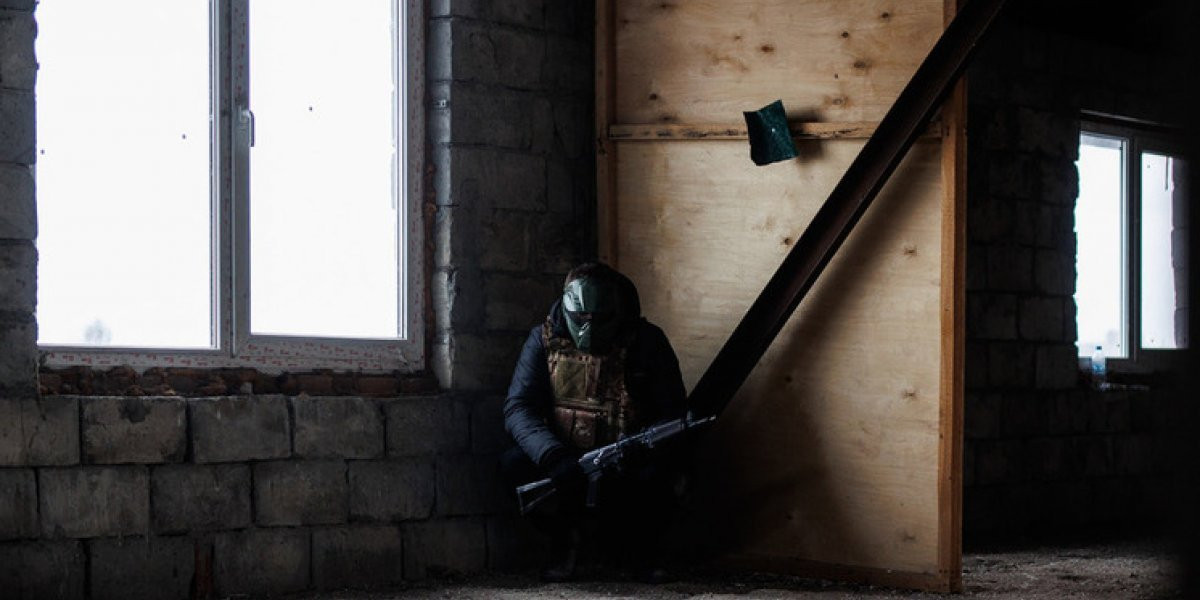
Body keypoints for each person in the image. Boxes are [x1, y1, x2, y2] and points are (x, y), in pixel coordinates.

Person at [501, 262, 689, 582]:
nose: (588, 330)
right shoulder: (543, 340)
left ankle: (636, 553)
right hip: (567, 457)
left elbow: (674, 413)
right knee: (512, 464)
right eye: (580, 319)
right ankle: (564, 542)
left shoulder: (646, 342)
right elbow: (519, 408)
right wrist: (552, 455)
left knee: (666, 471)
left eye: (600, 320)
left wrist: (645, 447)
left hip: (626, 460)